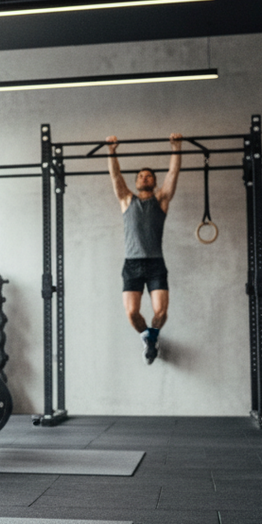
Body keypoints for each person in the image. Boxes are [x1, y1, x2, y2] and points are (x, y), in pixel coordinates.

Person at [107, 133, 182, 364]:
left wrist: (176, 148)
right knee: (132, 313)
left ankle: (153, 337)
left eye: (149, 176)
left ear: (154, 181)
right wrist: (111, 151)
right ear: (137, 182)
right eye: (141, 176)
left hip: (156, 263)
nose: (144, 178)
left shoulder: (162, 201)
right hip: (132, 264)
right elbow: (115, 176)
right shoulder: (126, 200)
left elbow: (172, 174)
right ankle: (148, 339)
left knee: (160, 312)